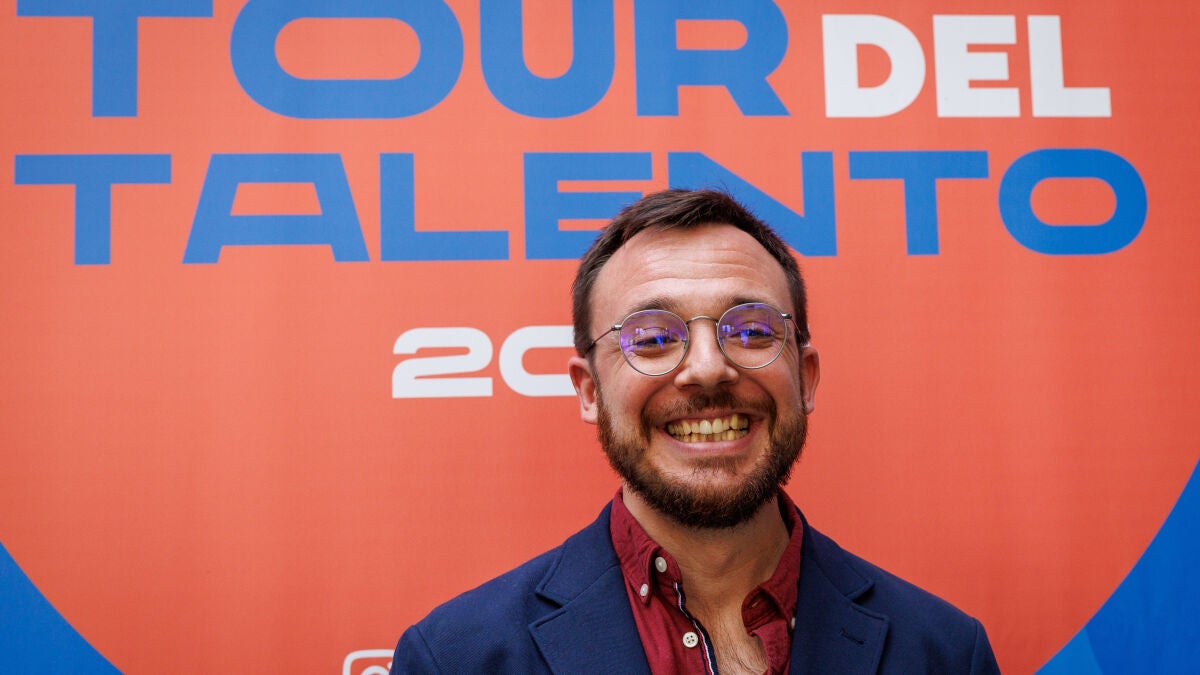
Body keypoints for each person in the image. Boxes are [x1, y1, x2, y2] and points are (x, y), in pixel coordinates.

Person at [390, 189, 1000, 674]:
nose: (708, 368)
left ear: (806, 377)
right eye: (653, 338)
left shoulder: (944, 652)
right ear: (589, 391)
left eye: (752, 330)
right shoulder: (458, 658)